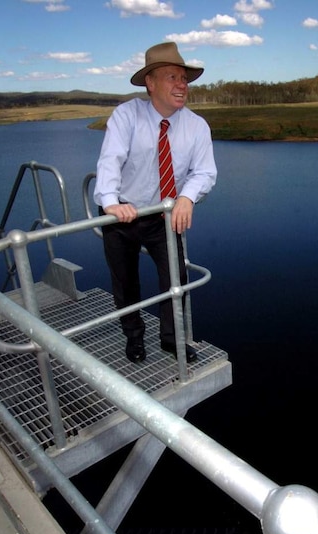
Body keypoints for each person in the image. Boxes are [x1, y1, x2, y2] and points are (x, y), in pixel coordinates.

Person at [93, 42, 217, 364]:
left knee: (177, 279)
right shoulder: (127, 116)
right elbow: (110, 161)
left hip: (163, 214)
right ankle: (134, 338)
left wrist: (187, 197)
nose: (181, 85)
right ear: (150, 82)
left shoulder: (196, 126)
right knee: (125, 281)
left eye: (184, 79)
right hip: (122, 213)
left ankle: (171, 340)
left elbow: (204, 171)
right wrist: (109, 202)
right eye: (173, 77)